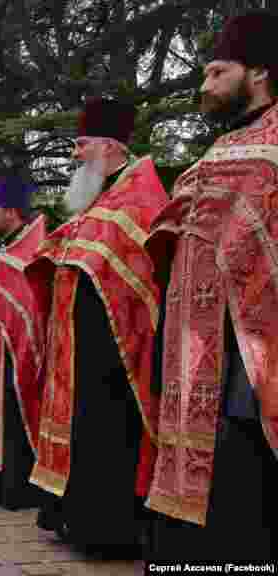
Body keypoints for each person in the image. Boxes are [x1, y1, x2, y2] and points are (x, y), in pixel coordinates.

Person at [143, 11, 278, 561]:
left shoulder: (264, 145)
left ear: (259, 74)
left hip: (254, 348)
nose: (204, 86)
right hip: (205, 344)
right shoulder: (229, 146)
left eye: (217, 72)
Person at [26, 97, 168, 558]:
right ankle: (74, 519)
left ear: (108, 146)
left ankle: (110, 531)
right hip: (80, 349)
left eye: (81, 145)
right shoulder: (101, 201)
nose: (74, 155)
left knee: (110, 433)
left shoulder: (140, 197)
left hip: (117, 355)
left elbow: (142, 274)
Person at [0, 176, 49, 511]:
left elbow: (30, 306)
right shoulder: (6, 250)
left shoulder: (29, 251)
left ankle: (16, 486)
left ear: (13, 213)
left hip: (16, 354)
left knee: (15, 415)